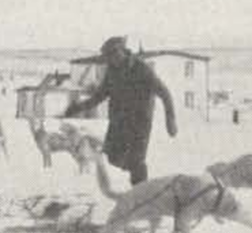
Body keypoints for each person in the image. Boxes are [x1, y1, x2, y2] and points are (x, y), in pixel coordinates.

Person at [64, 36, 177, 185]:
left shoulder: (141, 68)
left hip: (139, 123)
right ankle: (134, 189)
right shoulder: (112, 72)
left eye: (114, 54)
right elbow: (99, 96)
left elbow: (165, 93)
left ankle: (140, 194)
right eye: (109, 56)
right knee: (113, 157)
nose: (112, 59)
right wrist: (78, 107)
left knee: (136, 162)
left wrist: (170, 119)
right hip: (119, 122)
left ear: (123, 51)